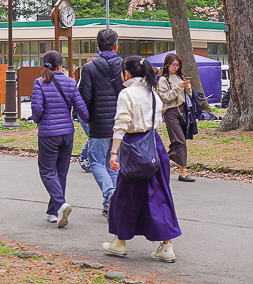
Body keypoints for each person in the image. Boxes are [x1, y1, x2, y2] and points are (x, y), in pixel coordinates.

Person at [102, 56, 180, 263]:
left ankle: (120, 241)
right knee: (159, 196)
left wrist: (113, 153)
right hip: (155, 148)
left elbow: (121, 124)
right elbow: (158, 122)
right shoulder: (153, 93)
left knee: (124, 196)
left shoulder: (126, 94)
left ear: (126, 73)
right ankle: (166, 246)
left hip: (134, 148)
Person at [30, 50, 89, 228]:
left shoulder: (40, 83)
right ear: (60, 65)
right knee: (61, 172)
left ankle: (61, 205)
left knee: (47, 171)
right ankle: (53, 212)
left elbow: (37, 108)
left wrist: (38, 121)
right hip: (67, 134)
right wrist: (89, 120)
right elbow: (81, 109)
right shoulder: (71, 82)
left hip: (49, 134)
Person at [78, 28, 124, 217]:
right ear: (116, 46)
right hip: (120, 123)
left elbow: (84, 98)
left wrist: (87, 119)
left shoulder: (89, 68)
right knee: (113, 163)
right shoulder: (123, 65)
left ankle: (110, 194)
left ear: (97, 46)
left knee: (96, 162)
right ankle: (109, 206)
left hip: (98, 123)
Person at [157, 53, 195, 182]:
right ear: (167, 65)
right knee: (180, 141)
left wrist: (188, 88)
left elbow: (188, 96)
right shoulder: (163, 80)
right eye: (174, 65)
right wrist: (179, 87)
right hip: (171, 112)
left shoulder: (180, 77)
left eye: (178, 65)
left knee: (179, 141)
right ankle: (182, 172)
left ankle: (161, 161)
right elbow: (166, 98)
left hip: (183, 112)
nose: (176, 67)